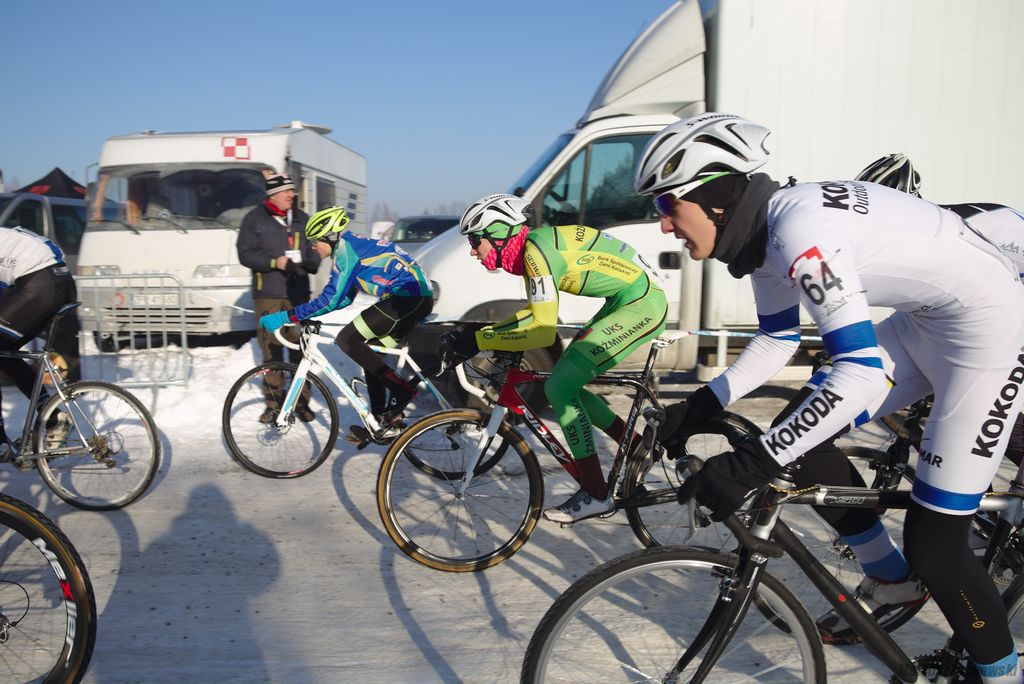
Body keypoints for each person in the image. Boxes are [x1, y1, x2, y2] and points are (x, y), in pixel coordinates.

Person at [637, 113, 1024, 683]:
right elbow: (777, 340)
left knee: (936, 544)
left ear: (715, 200)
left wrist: (750, 464)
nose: (664, 224)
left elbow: (858, 373)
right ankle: (891, 579)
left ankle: (1003, 675)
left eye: (668, 205)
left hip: (986, 337)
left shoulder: (800, 234)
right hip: (924, 325)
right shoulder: (763, 235)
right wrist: (698, 407)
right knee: (800, 435)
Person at [439, 194, 667, 524]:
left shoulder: (537, 253)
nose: (473, 251)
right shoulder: (532, 248)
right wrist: (478, 336)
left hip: (642, 304)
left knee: (559, 387)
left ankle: (596, 493)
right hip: (626, 301)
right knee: (566, 383)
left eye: (476, 241)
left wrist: (477, 340)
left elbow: (542, 332)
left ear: (499, 234)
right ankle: (637, 447)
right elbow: (533, 315)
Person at [257, 206, 433, 443]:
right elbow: (344, 298)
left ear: (329, 237)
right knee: (369, 354)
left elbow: (330, 300)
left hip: (408, 298)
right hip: (412, 298)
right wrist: (306, 314)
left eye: (315, 240)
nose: (312, 246)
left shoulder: (346, 253)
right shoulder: (350, 247)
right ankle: (382, 420)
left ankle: (401, 390)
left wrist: (286, 317)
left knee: (347, 339)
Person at [237, 173, 321, 423]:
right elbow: (245, 254)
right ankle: (274, 404)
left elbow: (315, 248)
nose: (291, 195)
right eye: (286, 191)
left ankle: (301, 402)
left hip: (298, 294)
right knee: (271, 349)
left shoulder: (303, 218)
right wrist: (275, 262)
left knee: (300, 348)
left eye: (292, 191)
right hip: (269, 295)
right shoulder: (254, 219)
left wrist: (310, 261)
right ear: (272, 195)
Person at [0, 226, 77, 458]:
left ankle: (1, 443)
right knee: (5, 354)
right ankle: (53, 416)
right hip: (58, 281)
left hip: (39, 283)